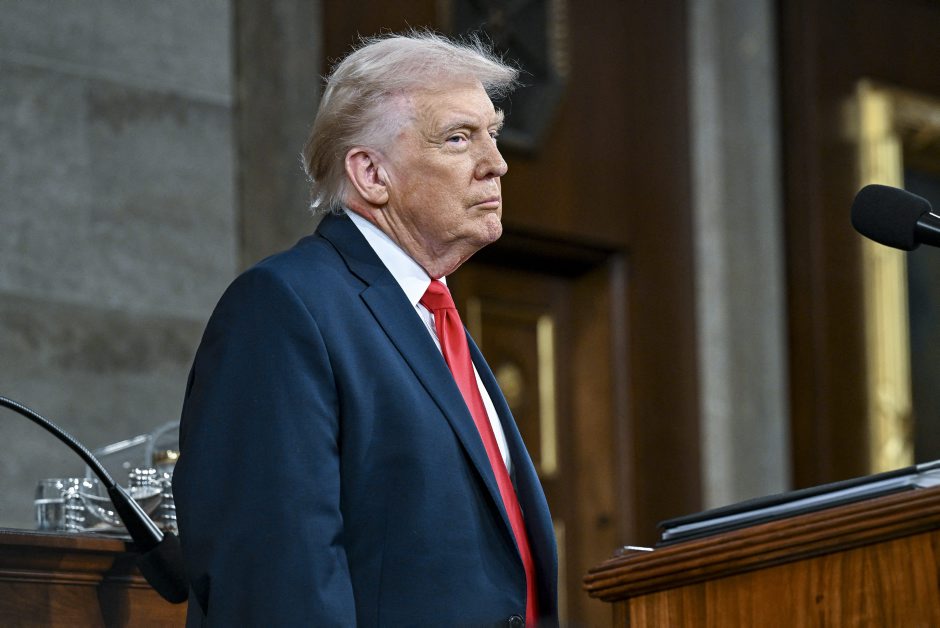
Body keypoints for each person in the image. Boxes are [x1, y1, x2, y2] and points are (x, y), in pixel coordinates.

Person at [172, 31, 558, 627]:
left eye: (493, 133)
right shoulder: (284, 308)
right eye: (459, 138)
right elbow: (275, 579)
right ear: (371, 173)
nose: (496, 163)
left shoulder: (433, 317)